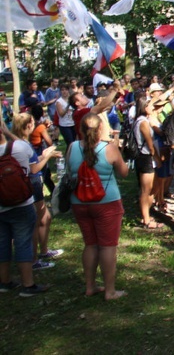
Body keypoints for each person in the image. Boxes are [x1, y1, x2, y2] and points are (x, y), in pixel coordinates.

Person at [68, 113, 129, 300]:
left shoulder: (72, 147)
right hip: (106, 202)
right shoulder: (108, 148)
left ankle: (90, 286)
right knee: (107, 246)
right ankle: (110, 290)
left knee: (90, 244)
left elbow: (70, 169)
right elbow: (124, 172)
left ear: (81, 129)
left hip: (79, 201)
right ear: (101, 129)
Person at [0, 123, 52, 297]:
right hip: (22, 203)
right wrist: (8, 133)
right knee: (23, 243)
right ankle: (28, 284)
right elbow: (33, 162)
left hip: (1, 206)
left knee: (3, 243)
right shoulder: (19, 147)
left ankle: (5, 282)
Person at [133, 97, 163, 229]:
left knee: (152, 188)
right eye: (151, 105)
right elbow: (150, 145)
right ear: (145, 107)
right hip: (145, 157)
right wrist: (157, 158)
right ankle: (146, 219)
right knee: (146, 190)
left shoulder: (143, 120)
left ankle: (147, 214)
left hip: (145, 157)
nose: (153, 107)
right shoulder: (143, 122)